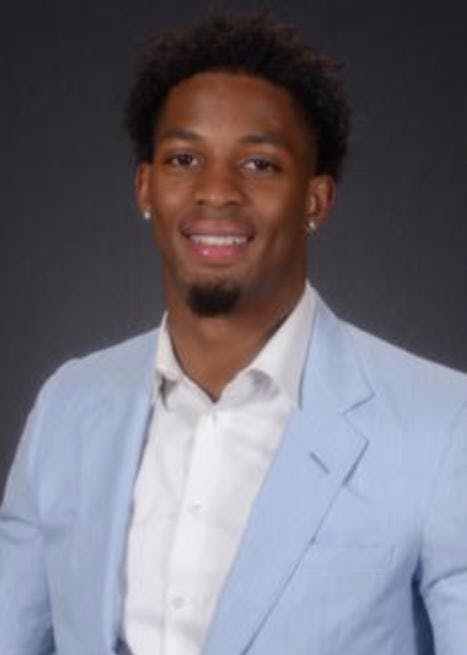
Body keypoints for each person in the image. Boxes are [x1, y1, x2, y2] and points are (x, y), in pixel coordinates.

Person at [1, 11, 466, 655]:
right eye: (184, 158)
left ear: (316, 198)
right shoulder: (67, 407)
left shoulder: (444, 426)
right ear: (145, 187)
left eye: (259, 164)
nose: (215, 192)